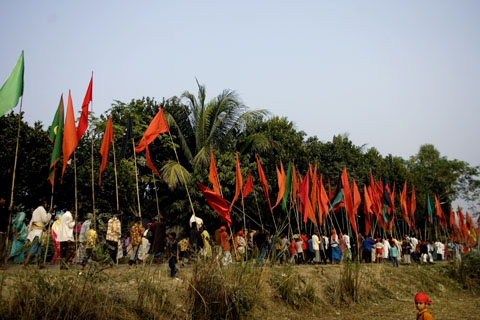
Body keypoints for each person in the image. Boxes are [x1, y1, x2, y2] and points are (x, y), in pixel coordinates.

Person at [24, 201, 52, 268]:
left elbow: (31, 222)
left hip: (35, 231)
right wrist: (49, 213)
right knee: (35, 247)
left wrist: (29, 231)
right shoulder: (41, 210)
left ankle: (38, 264)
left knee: (38, 248)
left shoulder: (35, 211)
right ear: (43, 204)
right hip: (38, 232)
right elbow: (45, 220)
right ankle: (26, 263)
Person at [0, 197, 12, 269]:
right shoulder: (1, 209)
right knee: (1, 247)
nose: (4, 200)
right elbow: (3, 214)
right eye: (2, 199)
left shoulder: (3, 208)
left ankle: (2, 262)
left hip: (3, 230)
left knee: (3, 247)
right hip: (0, 230)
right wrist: (8, 210)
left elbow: (5, 216)